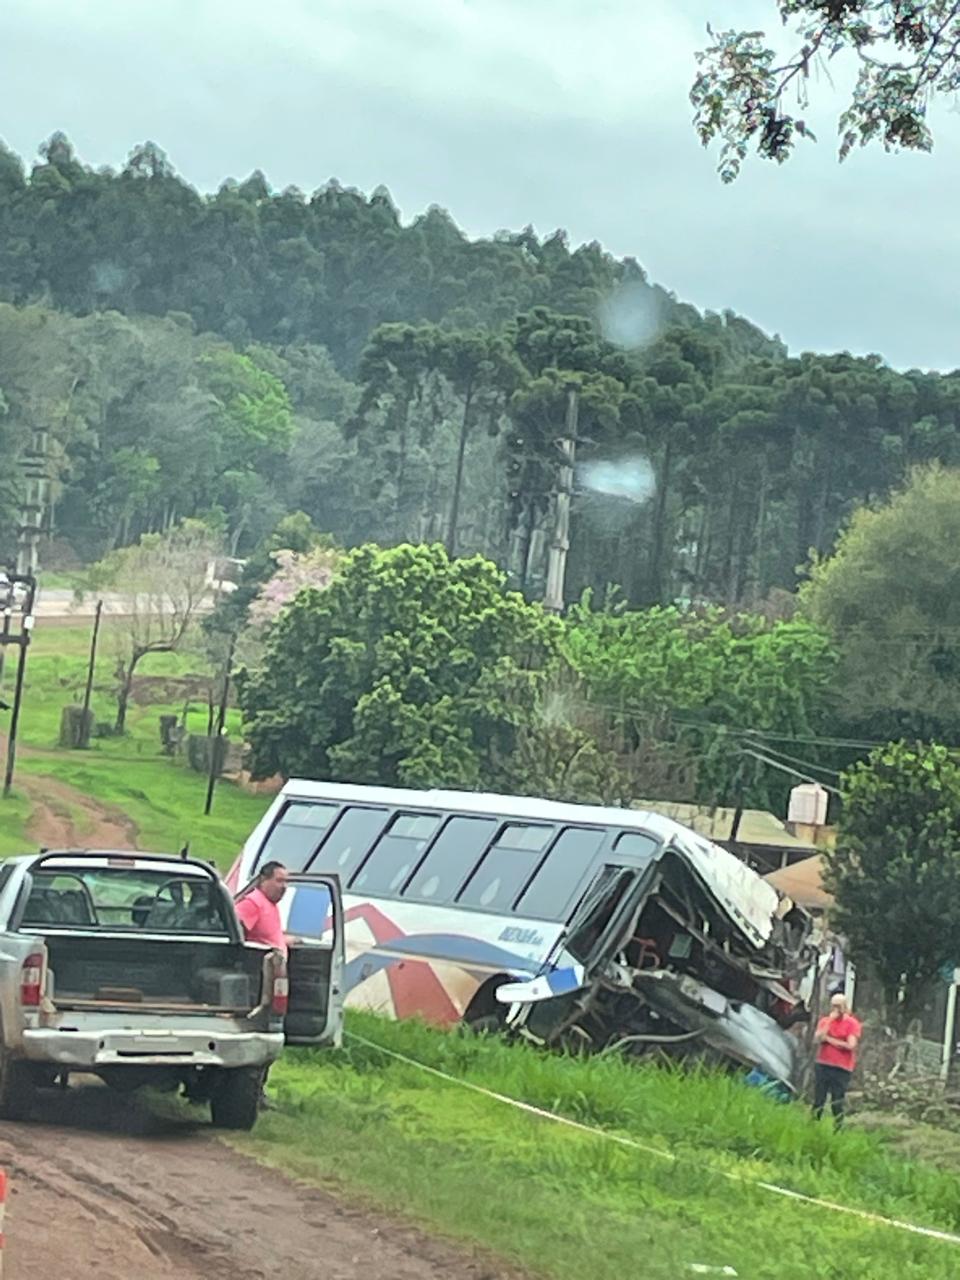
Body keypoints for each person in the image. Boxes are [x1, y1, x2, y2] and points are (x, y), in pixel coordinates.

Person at [234, 862, 289, 1108]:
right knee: (262, 1034)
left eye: (286, 882)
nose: (284, 886)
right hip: (260, 982)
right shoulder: (253, 903)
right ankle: (252, 1093)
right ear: (263, 880)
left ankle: (258, 1091)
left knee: (271, 1034)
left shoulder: (270, 906)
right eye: (279, 880)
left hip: (275, 981)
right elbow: (237, 931)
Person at [812, 992, 862, 1128]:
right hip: (823, 1064)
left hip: (842, 1067)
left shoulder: (852, 1023)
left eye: (839, 1006)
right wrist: (829, 1022)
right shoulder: (825, 1021)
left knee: (837, 1101)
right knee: (818, 1099)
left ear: (845, 1007)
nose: (836, 1009)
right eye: (833, 1006)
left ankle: (838, 1128)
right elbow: (817, 1039)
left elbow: (850, 1045)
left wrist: (829, 1039)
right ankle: (813, 1126)